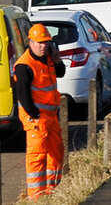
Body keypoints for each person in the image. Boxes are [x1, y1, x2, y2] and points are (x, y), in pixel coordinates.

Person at [14, 24, 66, 200]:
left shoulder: (49, 58)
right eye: (39, 43)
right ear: (30, 42)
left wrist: (57, 58)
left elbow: (61, 73)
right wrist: (34, 115)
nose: (43, 46)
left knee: (57, 152)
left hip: (51, 116)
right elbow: (22, 93)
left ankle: (52, 190)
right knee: (37, 156)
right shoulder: (24, 65)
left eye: (46, 42)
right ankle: (36, 196)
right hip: (36, 118)